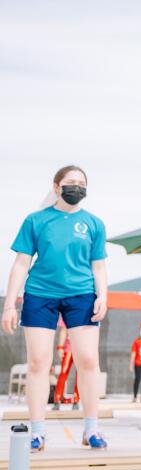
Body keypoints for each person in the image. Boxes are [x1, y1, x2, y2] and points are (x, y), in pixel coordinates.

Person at [2, 165, 109, 451]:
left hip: (82, 295)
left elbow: (98, 266)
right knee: (39, 362)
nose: (76, 186)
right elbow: (21, 263)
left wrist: (103, 296)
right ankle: (37, 433)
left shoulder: (94, 224)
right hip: (40, 295)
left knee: (88, 360)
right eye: (70, 182)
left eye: (81, 182)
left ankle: (92, 430)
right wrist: (9, 304)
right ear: (56, 187)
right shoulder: (36, 220)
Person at [50, 323, 78, 411]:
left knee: (80, 375)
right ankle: (57, 400)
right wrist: (60, 347)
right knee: (63, 372)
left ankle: (76, 400)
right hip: (68, 349)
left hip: (81, 348)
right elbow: (63, 331)